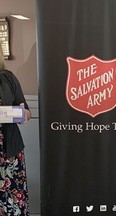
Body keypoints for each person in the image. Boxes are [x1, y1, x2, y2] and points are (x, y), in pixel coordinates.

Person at [0, 46, 31, 215]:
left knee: (12, 200)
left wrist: (23, 114)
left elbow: (25, 110)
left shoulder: (8, 78)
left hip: (9, 151)